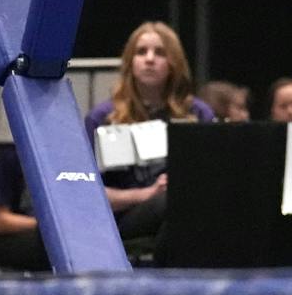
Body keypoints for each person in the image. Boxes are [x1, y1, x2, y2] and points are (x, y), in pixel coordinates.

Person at [85, 22, 213, 241]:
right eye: (141, 52)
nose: (150, 59)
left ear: (174, 63)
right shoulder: (103, 118)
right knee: (170, 201)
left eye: (160, 53)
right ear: (130, 62)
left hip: (186, 210)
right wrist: (147, 194)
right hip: (123, 220)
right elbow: (85, 192)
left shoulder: (197, 114)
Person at [0, 143, 49, 272]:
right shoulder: (4, 152)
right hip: (5, 236)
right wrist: (47, 225)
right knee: (54, 246)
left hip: (44, 231)